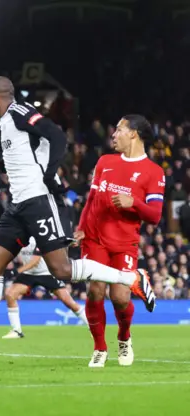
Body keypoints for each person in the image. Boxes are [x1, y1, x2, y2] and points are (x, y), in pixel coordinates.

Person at [0, 77, 155, 361]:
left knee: (62, 270)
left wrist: (48, 173)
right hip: (18, 205)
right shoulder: (6, 122)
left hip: (40, 201)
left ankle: (130, 277)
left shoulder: (19, 111)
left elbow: (56, 135)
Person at [75, 115, 164, 368]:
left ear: (133, 134)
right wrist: (81, 228)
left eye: (119, 130)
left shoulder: (153, 172)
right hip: (94, 238)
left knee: (121, 298)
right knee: (94, 289)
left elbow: (155, 216)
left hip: (124, 242)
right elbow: (91, 199)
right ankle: (99, 348)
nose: (114, 135)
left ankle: (124, 338)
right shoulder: (105, 162)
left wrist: (134, 203)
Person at [2, 237, 87, 339]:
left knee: (69, 302)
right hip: (28, 274)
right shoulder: (17, 240)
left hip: (47, 273)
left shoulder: (37, 238)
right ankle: (16, 330)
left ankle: (91, 325)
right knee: (10, 294)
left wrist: (16, 271)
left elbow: (36, 261)